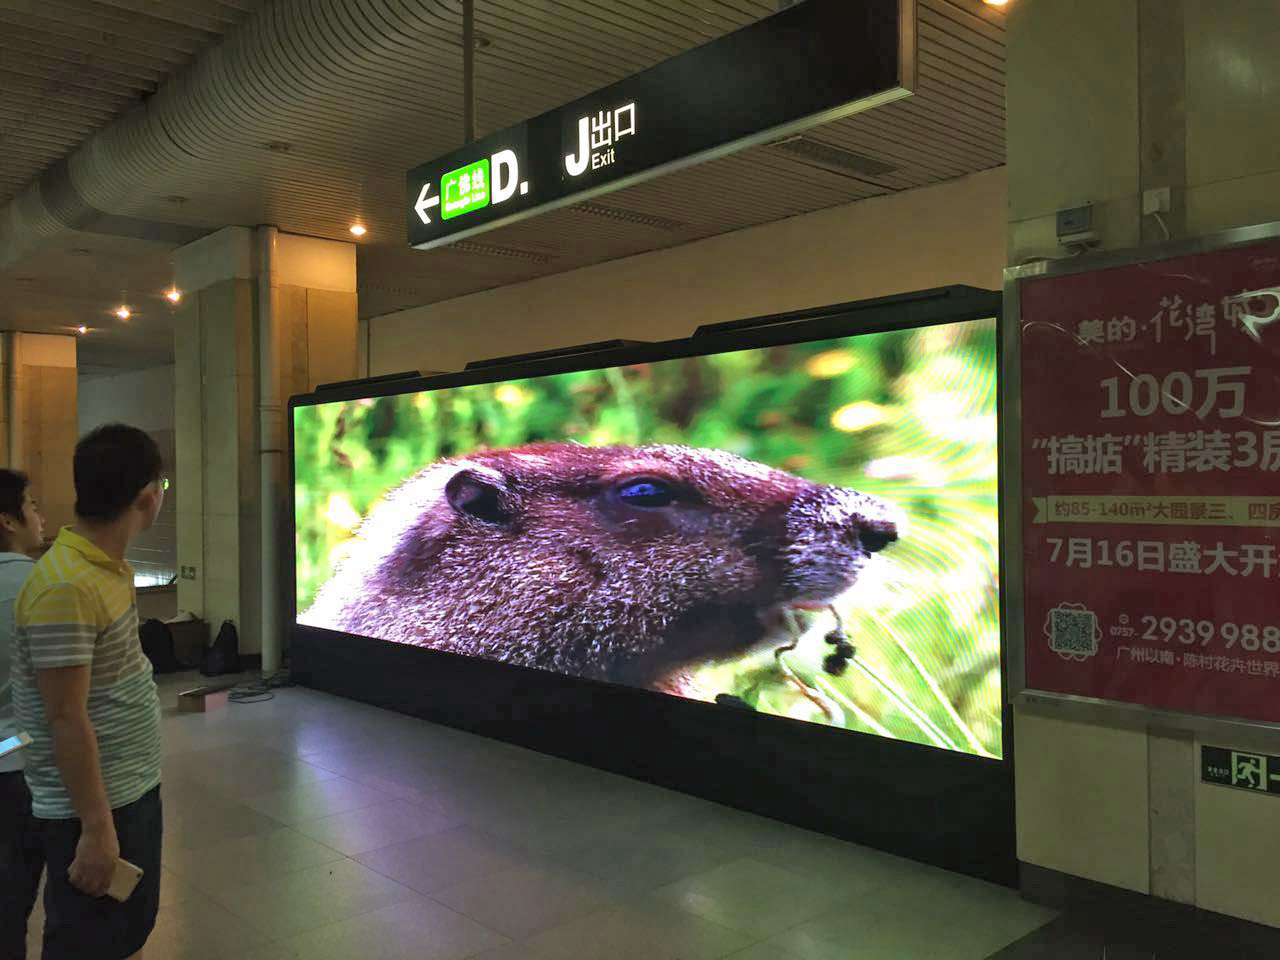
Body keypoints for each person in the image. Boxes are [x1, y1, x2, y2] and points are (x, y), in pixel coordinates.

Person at [12, 426, 166, 960]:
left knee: (124, 930)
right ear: (148, 498)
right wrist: (97, 830)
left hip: (128, 786)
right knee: (89, 938)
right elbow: (65, 718)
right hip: (96, 806)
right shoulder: (66, 586)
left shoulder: (103, 568)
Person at [0, 470, 45, 960]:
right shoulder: (39, 585)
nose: (40, 515)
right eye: (31, 505)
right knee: (14, 898)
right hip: (18, 758)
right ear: (8, 520)